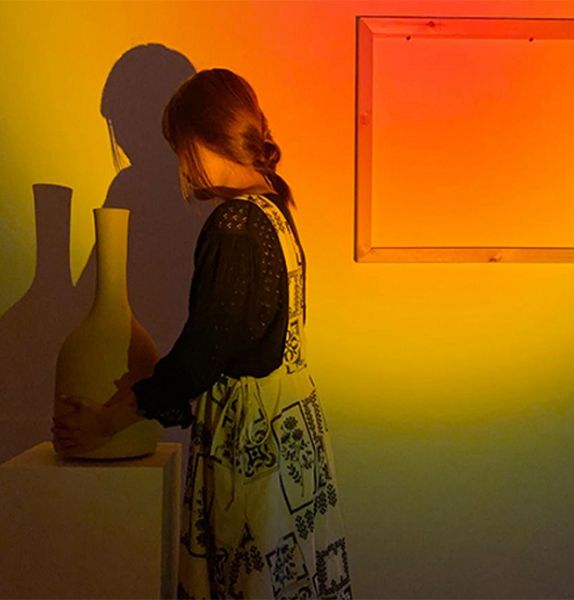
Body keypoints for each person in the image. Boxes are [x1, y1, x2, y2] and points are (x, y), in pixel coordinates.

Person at [52, 68, 353, 599]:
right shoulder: (274, 210)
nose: (180, 166)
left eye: (179, 148)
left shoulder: (235, 224)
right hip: (291, 434)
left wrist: (111, 418)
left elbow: (202, 355)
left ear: (199, 138)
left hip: (253, 446)